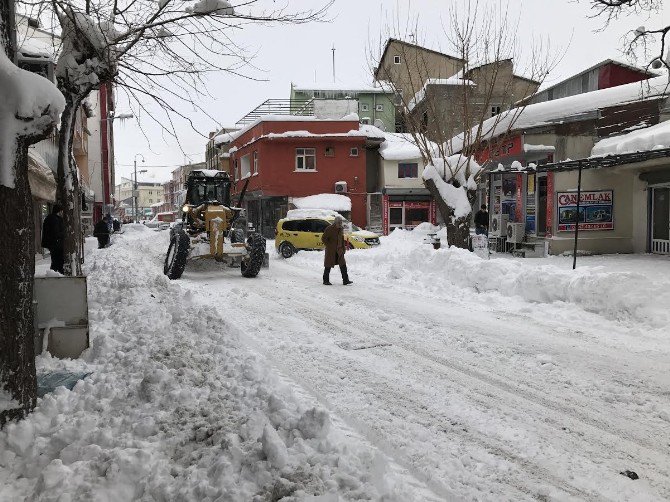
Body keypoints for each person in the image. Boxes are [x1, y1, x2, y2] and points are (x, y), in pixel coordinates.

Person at [321, 215, 353, 286]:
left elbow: (341, 239)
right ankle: (325, 280)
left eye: (341, 223)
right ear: (335, 223)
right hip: (331, 251)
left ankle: (345, 280)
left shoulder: (341, 229)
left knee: (343, 265)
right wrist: (329, 245)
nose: (340, 224)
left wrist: (343, 249)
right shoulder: (329, 229)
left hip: (339, 250)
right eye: (339, 223)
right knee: (328, 265)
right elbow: (323, 238)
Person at [41, 204, 65, 273]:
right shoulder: (56, 220)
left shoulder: (49, 218)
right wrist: (63, 235)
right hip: (56, 244)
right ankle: (56, 274)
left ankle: (54, 273)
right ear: (59, 211)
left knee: (55, 260)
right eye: (62, 211)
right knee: (58, 261)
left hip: (52, 244)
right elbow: (56, 232)